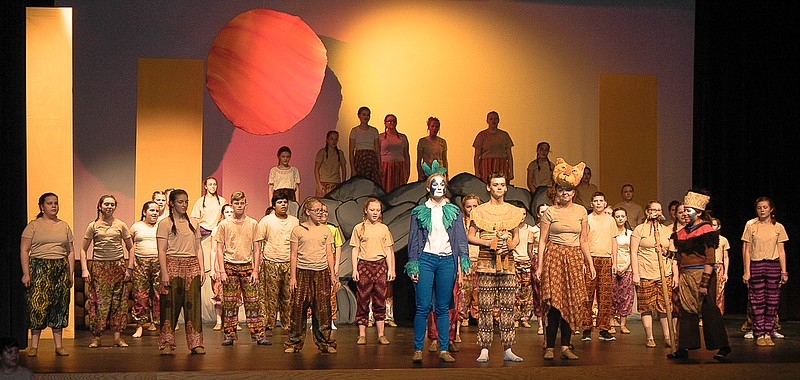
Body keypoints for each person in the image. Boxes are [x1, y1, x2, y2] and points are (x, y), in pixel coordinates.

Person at [406, 161, 471, 363]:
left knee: (443, 307)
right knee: (423, 306)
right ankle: (418, 349)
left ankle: (444, 348)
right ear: (428, 187)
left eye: (442, 184)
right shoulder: (419, 211)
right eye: (435, 184)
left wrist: (464, 259)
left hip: (446, 261)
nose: (439, 188)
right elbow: (414, 239)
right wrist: (413, 263)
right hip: (426, 259)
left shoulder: (452, 210)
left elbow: (460, 237)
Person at [535, 161, 596, 360]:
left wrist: (590, 264)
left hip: (574, 257)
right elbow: (543, 241)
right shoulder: (550, 212)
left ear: (574, 193)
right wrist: (540, 265)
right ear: (557, 191)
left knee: (571, 302)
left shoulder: (581, 211)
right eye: (561, 190)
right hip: (554, 256)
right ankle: (550, 346)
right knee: (554, 302)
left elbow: (584, 240)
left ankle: (566, 346)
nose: (565, 194)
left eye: (568, 191)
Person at [469, 172, 524, 363]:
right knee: (485, 306)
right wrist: (488, 242)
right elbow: (471, 236)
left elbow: (516, 236)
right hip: (486, 262)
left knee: (508, 305)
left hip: (507, 263)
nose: (499, 188)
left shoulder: (514, 211)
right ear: (488, 187)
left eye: (502, 184)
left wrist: (510, 244)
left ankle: (508, 347)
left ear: (506, 187)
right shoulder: (480, 211)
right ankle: (484, 347)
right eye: (495, 184)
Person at [667, 191, 730, 359]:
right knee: (686, 310)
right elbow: (683, 255)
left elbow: (710, 259)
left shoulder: (706, 230)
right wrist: (670, 254)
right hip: (686, 274)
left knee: (709, 310)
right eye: (684, 210)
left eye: (689, 210)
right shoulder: (683, 231)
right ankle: (685, 347)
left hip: (703, 273)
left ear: (699, 212)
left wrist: (704, 283)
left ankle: (722, 346)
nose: (685, 214)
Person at [20, 193, 75, 357]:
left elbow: (70, 251)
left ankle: (59, 346)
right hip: (39, 267)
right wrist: (26, 273)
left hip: (59, 267)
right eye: (49, 203)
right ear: (42, 206)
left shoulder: (64, 226)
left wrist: (70, 273)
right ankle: (34, 346)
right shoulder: (33, 226)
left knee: (59, 306)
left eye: (56, 203)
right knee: (37, 305)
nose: (53, 206)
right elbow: (24, 249)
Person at [284, 198, 338, 353]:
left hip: (321, 273)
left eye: (322, 210)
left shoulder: (326, 230)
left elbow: (329, 254)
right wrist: (293, 277)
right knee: (298, 308)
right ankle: (294, 342)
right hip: (302, 272)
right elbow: (293, 255)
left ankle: (325, 342)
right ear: (308, 212)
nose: (320, 213)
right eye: (317, 210)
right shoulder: (298, 230)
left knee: (322, 309)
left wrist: (332, 274)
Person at [215, 191, 268, 346]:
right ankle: (229, 334)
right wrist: (221, 271)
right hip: (229, 265)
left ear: (246, 204)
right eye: (236, 203)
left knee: (253, 302)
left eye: (242, 203)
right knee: (230, 302)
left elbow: (257, 248)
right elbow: (219, 248)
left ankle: (258, 335)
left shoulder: (252, 223)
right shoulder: (224, 224)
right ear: (232, 204)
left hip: (247, 266)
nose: (239, 206)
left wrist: (256, 270)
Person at [157, 189, 206, 355]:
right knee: (170, 305)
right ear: (172, 203)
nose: (184, 205)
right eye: (180, 202)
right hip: (172, 264)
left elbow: (198, 247)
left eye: (186, 201)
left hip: (191, 265)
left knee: (193, 305)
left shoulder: (193, 222)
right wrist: (164, 272)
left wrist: (201, 267)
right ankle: (167, 342)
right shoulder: (165, 223)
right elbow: (162, 250)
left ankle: (196, 343)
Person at [81, 194, 133, 349]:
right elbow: (83, 249)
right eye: (106, 204)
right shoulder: (93, 226)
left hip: (118, 266)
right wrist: (85, 269)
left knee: (119, 303)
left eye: (112, 205)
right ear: (100, 206)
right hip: (99, 267)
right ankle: (96, 337)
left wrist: (129, 267)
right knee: (99, 304)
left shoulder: (121, 225)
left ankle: (118, 337)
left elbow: (131, 247)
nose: (109, 207)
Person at [741, 197, 788, 347]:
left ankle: (769, 331)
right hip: (756, 264)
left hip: (773, 265)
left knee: (772, 301)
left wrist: (784, 271)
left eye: (765, 207)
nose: (762, 210)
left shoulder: (778, 227)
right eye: (759, 208)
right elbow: (746, 250)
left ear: (771, 209)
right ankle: (759, 332)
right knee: (757, 300)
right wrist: (746, 271)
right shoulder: (751, 225)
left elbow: (781, 250)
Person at [630, 201, 675, 348]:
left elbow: (673, 254)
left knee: (664, 306)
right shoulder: (639, 230)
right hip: (645, 272)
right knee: (646, 306)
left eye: (659, 210)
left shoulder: (667, 231)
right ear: (647, 211)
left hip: (664, 273)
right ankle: (649, 337)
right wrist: (635, 274)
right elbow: (633, 253)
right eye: (653, 210)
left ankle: (668, 336)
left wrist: (664, 252)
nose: (656, 212)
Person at [351, 198, 395, 345]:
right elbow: (355, 249)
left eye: (378, 210)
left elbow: (389, 249)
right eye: (372, 210)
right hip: (364, 265)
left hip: (380, 265)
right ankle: (362, 334)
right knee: (362, 299)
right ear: (366, 210)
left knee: (380, 300)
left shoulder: (384, 228)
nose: (375, 213)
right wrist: (354, 269)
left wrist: (391, 268)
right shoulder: (359, 228)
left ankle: (381, 334)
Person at [256, 193, 299, 336]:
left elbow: (299, 243)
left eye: (285, 202)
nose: (283, 205)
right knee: (270, 296)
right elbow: (258, 242)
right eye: (280, 202)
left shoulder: (294, 221)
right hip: (271, 262)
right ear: (274, 205)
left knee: (288, 296)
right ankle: (268, 325)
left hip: (289, 262)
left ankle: (288, 324)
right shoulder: (266, 221)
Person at [582, 192, 618, 342]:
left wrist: (614, 262)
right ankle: (586, 328)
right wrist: (585, 262)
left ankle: (604, 328)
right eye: (595, 201)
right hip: (590, 258)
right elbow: (582, 241)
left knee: (605, 295)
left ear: (605, 203)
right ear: (591, 203)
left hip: (605, 259)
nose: (598, 203)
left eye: (601, 201)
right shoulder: (587, 219)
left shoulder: (611, 220)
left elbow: (614, 241)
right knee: (587, 295)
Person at [190, 177, 226, 327]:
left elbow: (225, 216)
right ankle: (205, 311)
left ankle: (223, 315)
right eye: (210, 184)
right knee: (206, 268)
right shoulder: (200, 201)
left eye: (214, 184)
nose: (212, 186)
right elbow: (194, 220)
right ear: (205, 186)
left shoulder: (222, 201)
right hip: (205, 238)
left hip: (217, 236)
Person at [129, 201, 161, 338]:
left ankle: (159, 324)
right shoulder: (136, 226)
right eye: (152, 210)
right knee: (140, 295)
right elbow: (129, 245)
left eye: (157, 211)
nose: (154, 213)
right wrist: (131, 264)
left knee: (159, 295)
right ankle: (140, 326)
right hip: (140, 263)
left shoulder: (162, 226)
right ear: (144, 212)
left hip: (159, 263)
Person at [507, 201, 534, 329]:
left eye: (523, 214)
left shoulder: (530, 230)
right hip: (514, 262)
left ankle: (525, 317)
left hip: (526, 262)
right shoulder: (509, 230)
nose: (521, 217)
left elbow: (530, 248)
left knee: (526, 292)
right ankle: (515, 317)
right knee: (514, 291)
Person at [458, 194, 481, 327]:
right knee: (464, 291)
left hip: (480, 259)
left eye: (475, 206)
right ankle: (462, 317)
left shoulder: (483, 222)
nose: (472, 209)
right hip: (466, 260)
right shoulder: (461, 222)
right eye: (468, 206)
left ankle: (479, 317)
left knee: (478, 291)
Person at [209, 204, 233, 330]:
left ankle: (234, 321)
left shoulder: (237, 227)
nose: (229, 214)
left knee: (235, 292)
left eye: (231, 212)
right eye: (227, 212)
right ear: (223, 214)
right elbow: (213, 250)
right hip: (219, 264)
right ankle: (218, 320)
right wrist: (212, 268)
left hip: (233, 263)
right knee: (218, 292)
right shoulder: (217, 229)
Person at [611, 208, 634, 335]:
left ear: (626, 218)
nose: (620, 218)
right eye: (617, 216)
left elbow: (633, 252)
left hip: (627, 267)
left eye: (622, 216)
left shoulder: (630, 234)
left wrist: (625, 266)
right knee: (612, 295)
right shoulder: (610, 233)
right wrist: (615, 265)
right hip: (613, 267)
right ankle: (611, 321)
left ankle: (623, 324)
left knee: (626, 295)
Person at [320, 202, 343, 330]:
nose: (323, 214)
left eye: (325, 211)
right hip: (317, 260)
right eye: (321, 211)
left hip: (330, 261)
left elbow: (338, 247)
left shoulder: (333, 229)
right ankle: (316, 320)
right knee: (316, 292)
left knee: (331, 292)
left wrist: (336, 265)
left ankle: (331, 319)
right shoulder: (313, 228)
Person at [473, 111, 514, 183]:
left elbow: (509, 155)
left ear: (498, 120)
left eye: (495, 119)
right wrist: (477, 172)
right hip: (486, 166)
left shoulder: (504, 135)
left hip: (501, 165)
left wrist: (511, 172)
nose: (493, 121)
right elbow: (476, 156)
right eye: (491, 119)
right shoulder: (482, 135)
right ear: (487, 121)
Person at [349, 106, 382, 184]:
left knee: (372, 183)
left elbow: (377, 150)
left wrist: (379, 166)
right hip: (360, 158)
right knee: (359, 183)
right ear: (359, 116)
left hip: (371, 159)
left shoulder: (374, 130)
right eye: (364, 114)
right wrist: (353, 169)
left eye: (368, 115)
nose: (366, 117)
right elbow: (351, 152)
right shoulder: (354, 131)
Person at [379, 114, 410, 192]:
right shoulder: (380, 137)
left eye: (394, 121)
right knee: (385, 191)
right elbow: (377, 153)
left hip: (399, 166)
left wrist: (407, 169)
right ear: (385, 123)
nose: (392, 123)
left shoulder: (403, 137)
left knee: (399, 191)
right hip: (385, 167)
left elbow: (406, 154)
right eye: (389, 121)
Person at [530, 203, 548, 335]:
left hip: (551, 259)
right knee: (538, 292)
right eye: (542, 212)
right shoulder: (533, 230)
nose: (545, 214)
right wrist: (535, 262)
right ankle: (541, 323)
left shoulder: (553, 228)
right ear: (538, 214)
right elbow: (530, 250)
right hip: (537, 259)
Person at [315, 131, 347, 197]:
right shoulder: (322, 152)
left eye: (336, 139)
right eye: (331, 139)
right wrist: (319, 184)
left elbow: (344, 168)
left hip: (336, 183)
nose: (334, 141)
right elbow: (316, 168)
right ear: (327, 140)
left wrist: (343, 184)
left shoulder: (340, 153)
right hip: (323, 182)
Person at [416, 117, 449, 181]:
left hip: (439, 172)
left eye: (437, 127)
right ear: (429, 127)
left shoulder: (442, 142)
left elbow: (444, 159)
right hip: (426, 172)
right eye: (432, 126)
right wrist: (419, 174)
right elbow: (419, 160)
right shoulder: (422, 141)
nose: (434, 129)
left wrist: (446, 174)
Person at [711, 217, 730, 315]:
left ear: (718, 227)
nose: (712, 227)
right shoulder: (705, 239)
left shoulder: (723, 240)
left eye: (714, 225)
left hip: (719, 267)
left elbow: (726, 257)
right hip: (708, 266)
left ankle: (718, 314)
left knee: (719, 292)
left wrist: (726, 272)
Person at [526, 142, 554, 208]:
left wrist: (551, 192)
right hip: (537, 191)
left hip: (548, 192)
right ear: (537, 150)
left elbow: (554, 182)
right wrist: (536, 193)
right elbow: (529, 182)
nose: (544, 152)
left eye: (546, 150)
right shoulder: (532, 165)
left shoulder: (552, 166)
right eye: (541, 149)